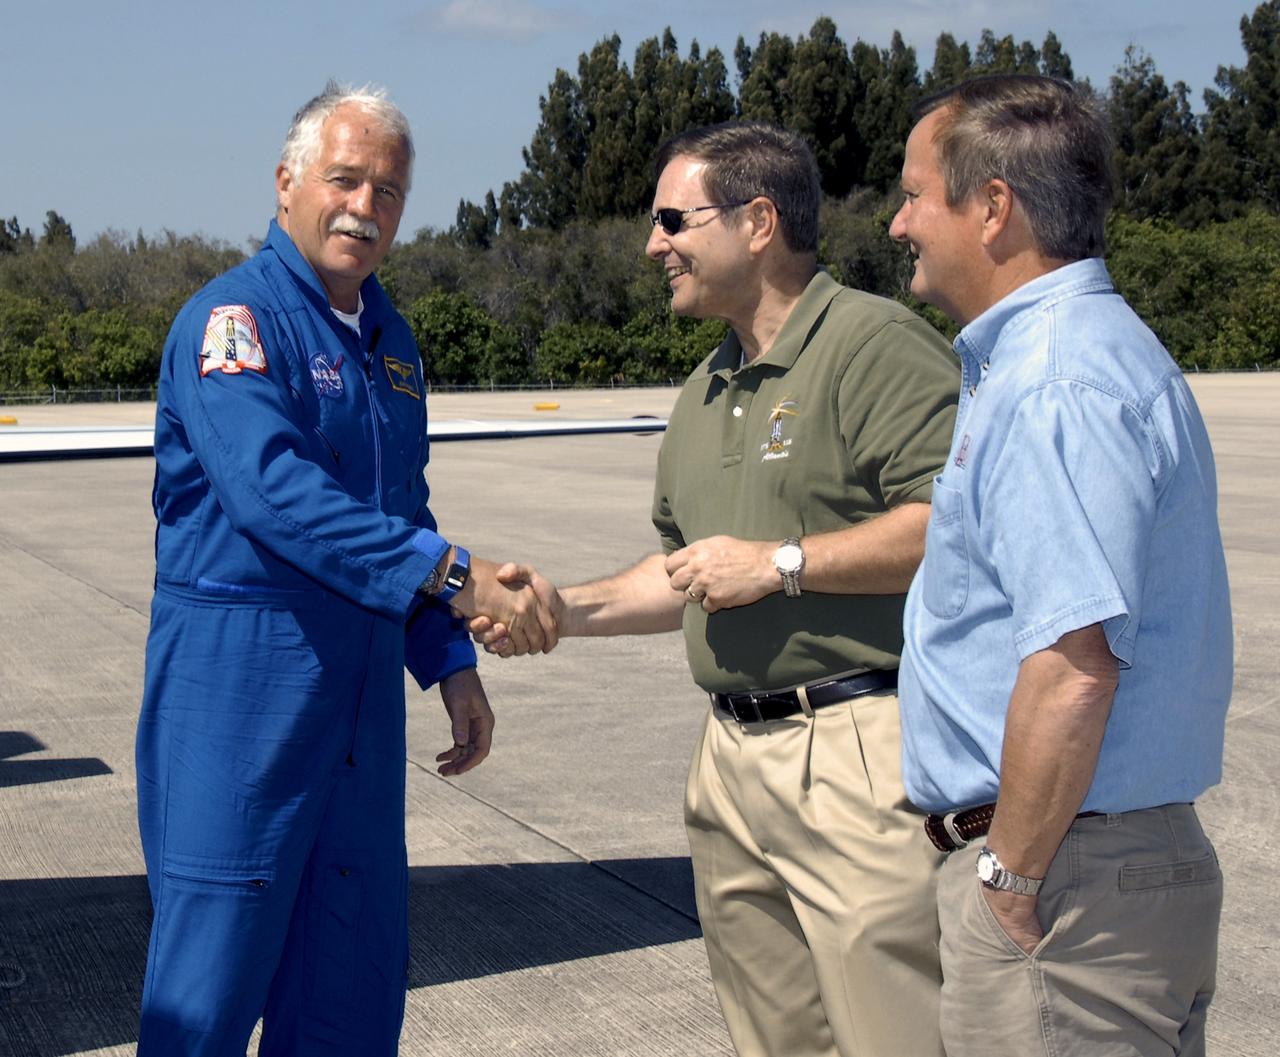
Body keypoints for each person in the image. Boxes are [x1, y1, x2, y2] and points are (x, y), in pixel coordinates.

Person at [473, 121, 959, 1057]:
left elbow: (955, 525)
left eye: (672, 219)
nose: (654, 244)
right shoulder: (705, 388)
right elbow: (689, 569)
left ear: (760, 220)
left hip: (856, 750)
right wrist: (561, 610)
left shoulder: (872, 345)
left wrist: (782, 562)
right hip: (731, 761)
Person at [135, 82, 555, 1055]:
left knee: (350, 1005)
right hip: (239, 724)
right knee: (200, 1012)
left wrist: (448, 661)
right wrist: (456, 574)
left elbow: (396, 511)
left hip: (358, 736)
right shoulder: (233, 324)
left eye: (390, 190)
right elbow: (274, 496)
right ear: (286, 184)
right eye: (345, 179)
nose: (366, 206)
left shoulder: (387, 341)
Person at [890, 74, 1232, 1057]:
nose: (898, 220)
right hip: (1084, 867)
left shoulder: (1052, 384)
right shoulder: (1067, 359)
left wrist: (1008, 877)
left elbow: (1074, 662)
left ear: (991, 207)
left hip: (1065, 884)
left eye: (915, 192)